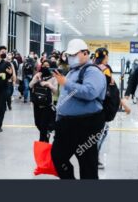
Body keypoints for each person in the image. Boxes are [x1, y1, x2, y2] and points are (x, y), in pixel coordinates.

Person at [52, 38, 107, 179]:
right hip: (66, 124)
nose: (71, 58)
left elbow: (90, 92)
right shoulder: (72, 71)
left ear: (85, 53)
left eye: (74, 54)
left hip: (85, 125)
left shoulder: (92, 71)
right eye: (69, 55)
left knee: (87, 164)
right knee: (58, 157)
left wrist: (66, 83)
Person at [30, 60, 58, 142]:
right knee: (37, 123)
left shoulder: (53, 77)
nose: (46, 67)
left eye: (48, 66)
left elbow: (55, 91)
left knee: (43, 125)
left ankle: (43, 143)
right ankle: (46, 134)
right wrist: (35, 79)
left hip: (47, 105)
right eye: (44, 65)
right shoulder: (38, 75)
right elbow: (30, 85)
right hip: (36, 104)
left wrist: (48, 84)